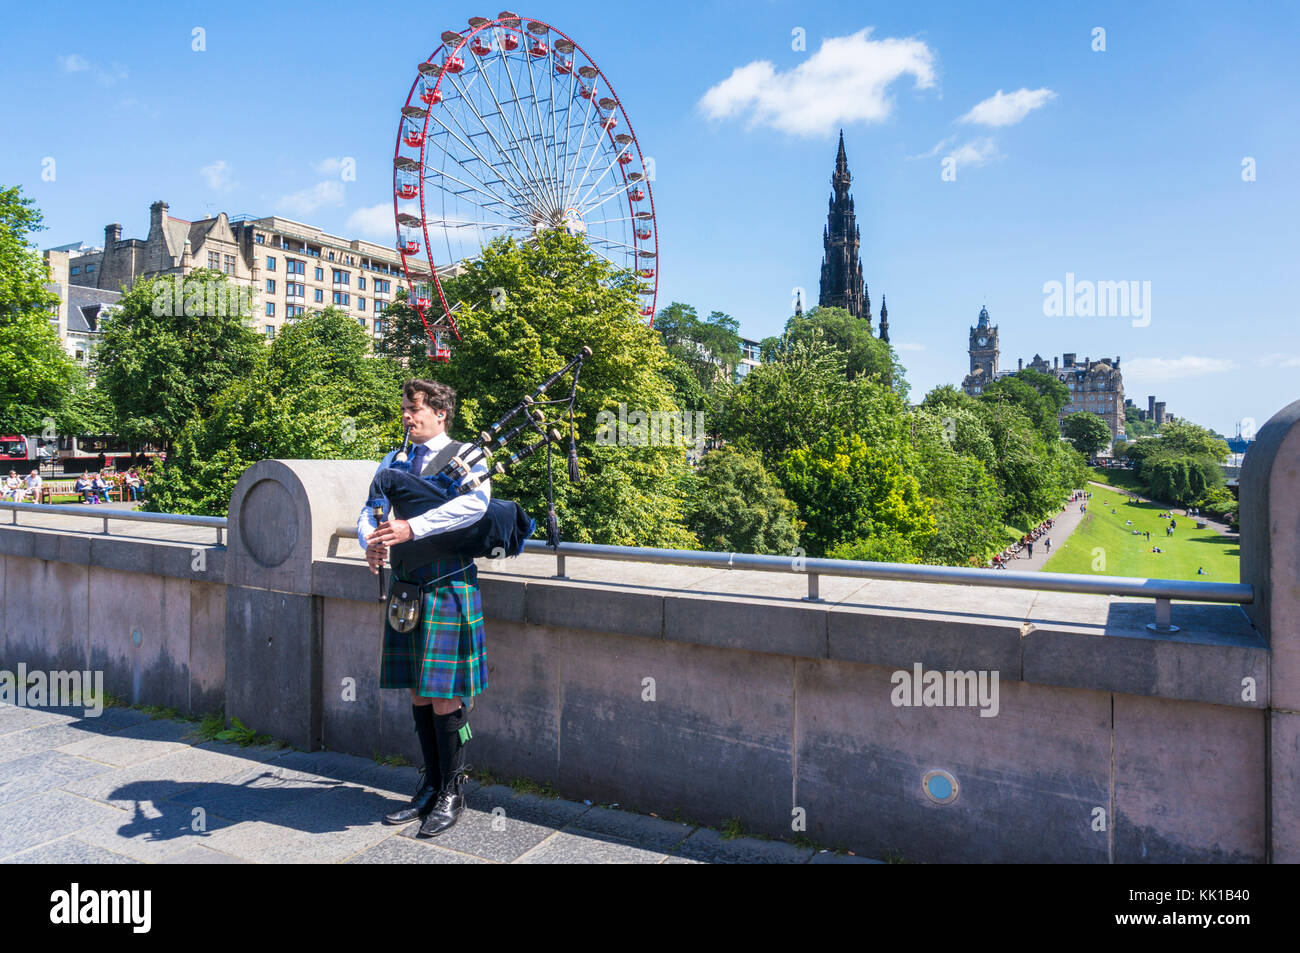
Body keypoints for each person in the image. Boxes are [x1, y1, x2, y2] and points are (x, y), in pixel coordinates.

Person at [360, 380, 490, 839]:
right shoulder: (392, 460)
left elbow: (475, 507)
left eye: (414, 409)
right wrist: (371, 542)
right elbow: (371, 510)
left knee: (445, 693)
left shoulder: (467, 455)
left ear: (440, 413)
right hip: (407, 587)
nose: (407, 416)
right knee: (417, 689)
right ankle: (430, 786)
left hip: (447, 584)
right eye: (404, 409)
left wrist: (411, 528)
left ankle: (454, 791)